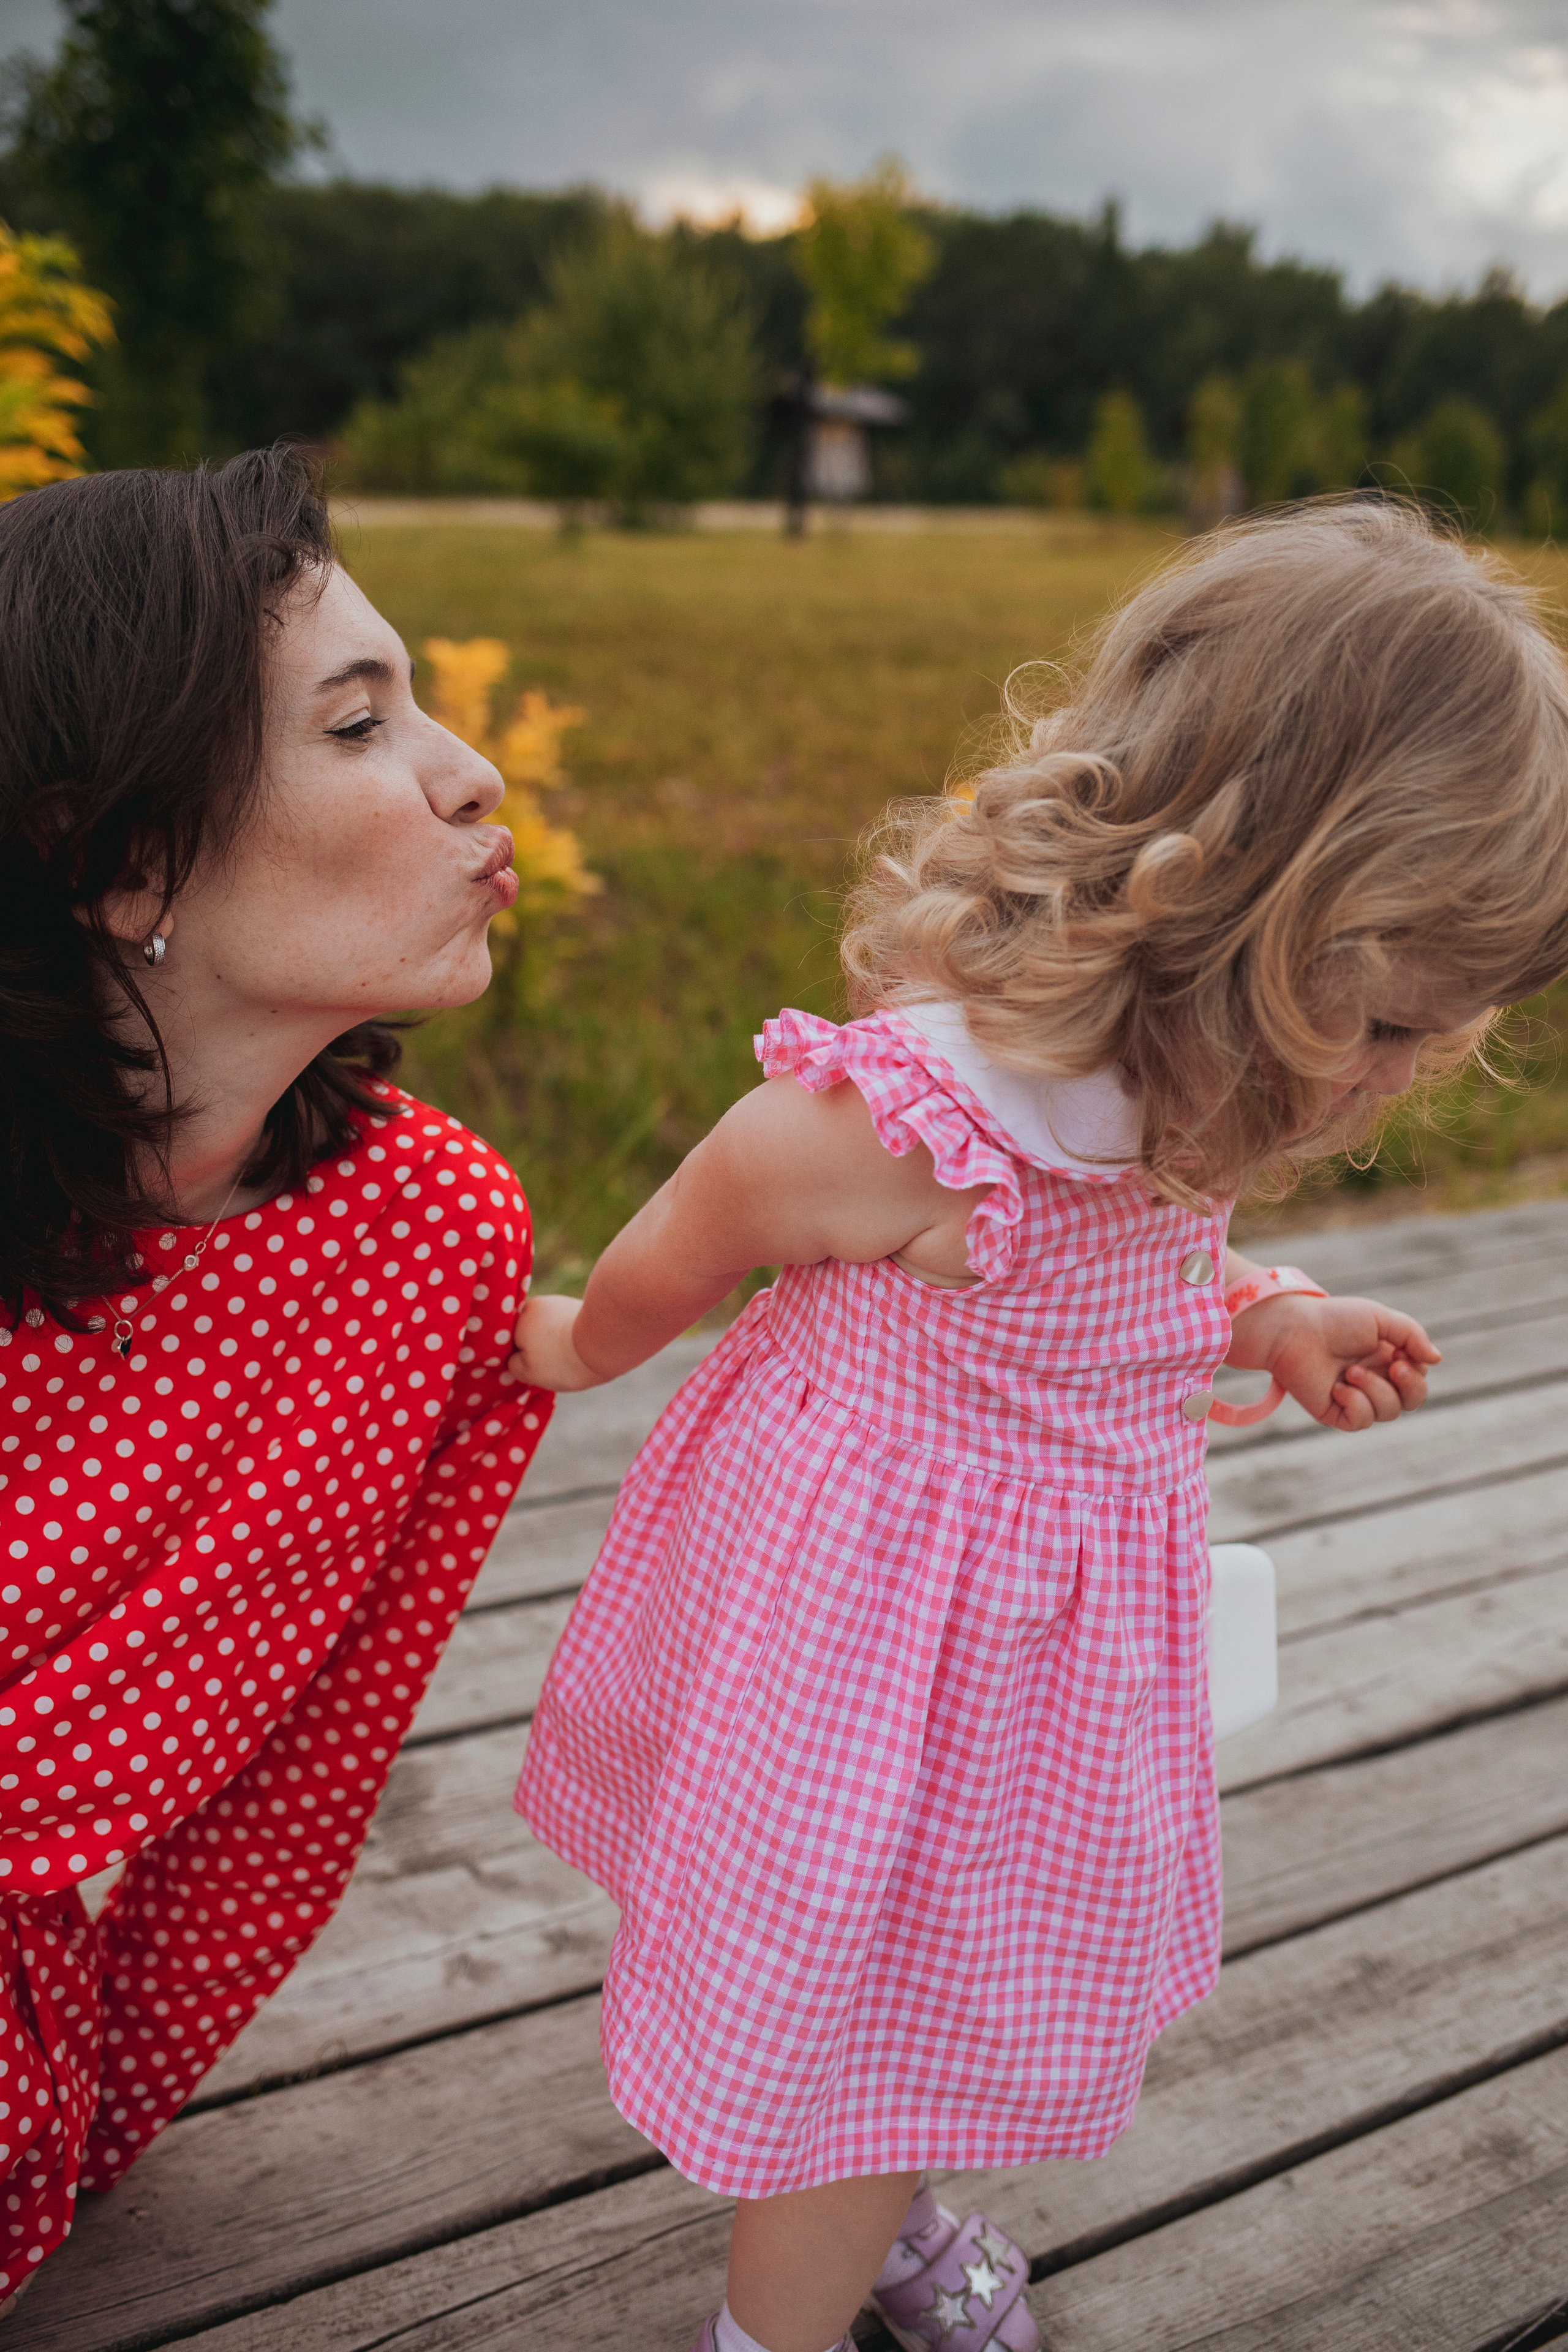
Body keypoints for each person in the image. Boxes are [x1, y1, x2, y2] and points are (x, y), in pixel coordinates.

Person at [511, 502, 1568, 2352]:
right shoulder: (934, 1117)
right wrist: (585, 1342)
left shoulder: (1180, 1078)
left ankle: (875, 2182)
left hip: (1024, 1668)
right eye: (1395, 1024)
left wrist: (1278, 1317)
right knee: (855, 2005)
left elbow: (1163, 1272)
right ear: (1251, 906)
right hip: (880, 1648)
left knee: (915, 1979)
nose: (1407, 1078)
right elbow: (726, 1202)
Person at [0, 449, 550, 2312]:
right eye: (356, 723)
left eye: (424, 706)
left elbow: (295, 1777)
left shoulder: (419, 1234)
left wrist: (64, 2127)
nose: (470, 772)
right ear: (115, 856)